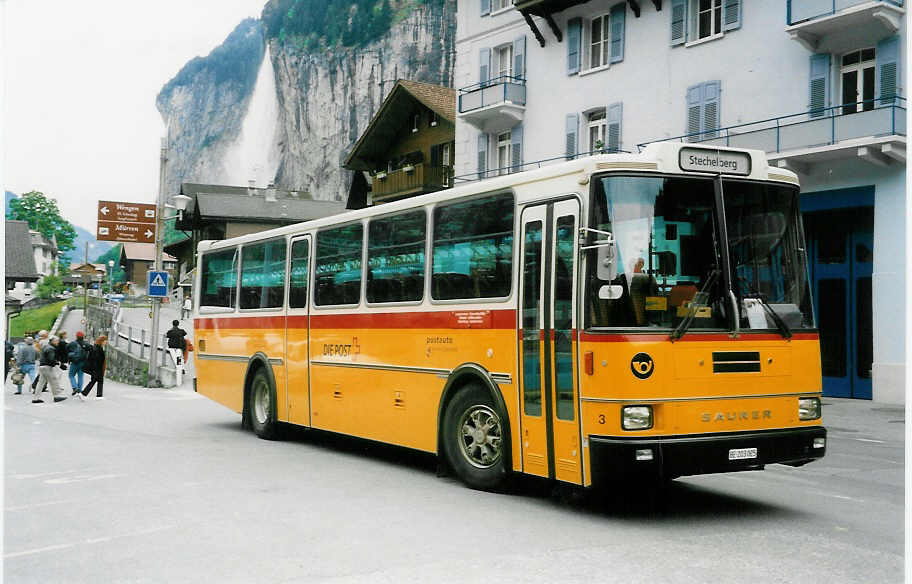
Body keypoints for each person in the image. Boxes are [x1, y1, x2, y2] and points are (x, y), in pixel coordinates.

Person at [34, 336, 67, 403]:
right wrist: (59, 364)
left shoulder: (45, 346)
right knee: (54, 381)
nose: (58, 342)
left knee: (40, 383)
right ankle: (57, 396)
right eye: (57, 341)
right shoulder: (51, 349)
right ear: (53, 341)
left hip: (42, 366)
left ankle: (36, 398)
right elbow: (51, 359)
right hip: (47, 367)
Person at [81, 335, 106, 400]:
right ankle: (84, 394)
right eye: (105, 341)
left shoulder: (97, 347)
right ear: (102, 341)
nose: (105, 343)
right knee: (96, 381)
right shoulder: (98, 349)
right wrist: (96, 370)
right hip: (97, 369)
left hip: (96, 369)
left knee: (96, 381)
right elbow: (96, 360)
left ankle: (98, 395)